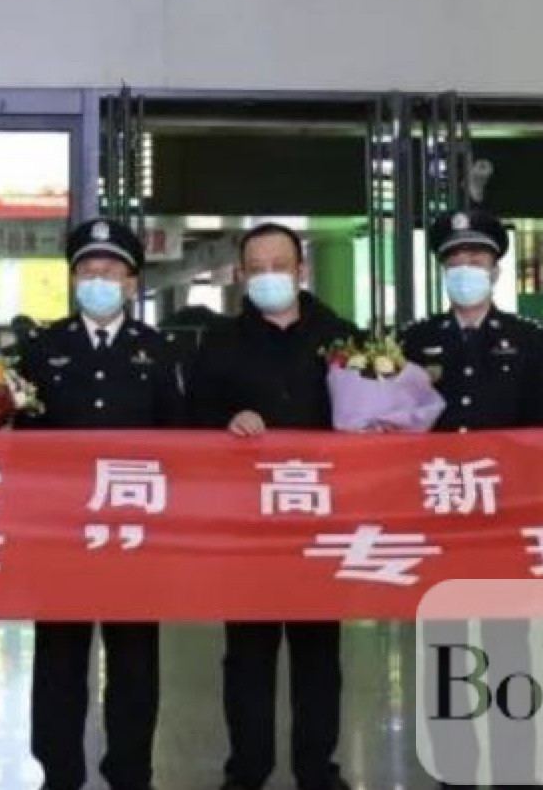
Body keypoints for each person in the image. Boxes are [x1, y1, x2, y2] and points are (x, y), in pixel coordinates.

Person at [187, 222, 359, 790]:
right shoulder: (220, 343)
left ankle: (317, 769)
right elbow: (191, 417)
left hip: (320, 521)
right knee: (247, 657)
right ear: (240, 275)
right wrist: (226, 420)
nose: (267, 277)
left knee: (318, 656)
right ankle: (247, 770)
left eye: (278, 266)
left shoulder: (343, 338)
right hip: (248, 527)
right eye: (255, 268)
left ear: (301, 270)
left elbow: (371, 419)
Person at [19, 219, 184, 790]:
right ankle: (58, 770)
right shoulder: (43, 350)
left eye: (110, 271)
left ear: (132, 283)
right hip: (61, 532)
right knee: (59, 657)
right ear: (73, 280)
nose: (98, 280)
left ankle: (130, 769)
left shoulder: (157, 352)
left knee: (134, 657)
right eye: (87, 271)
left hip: (135, 530)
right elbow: (22, 440)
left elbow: (181, 441)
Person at [399, 209, 543, 790]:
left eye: (477, 259)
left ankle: (516, 766)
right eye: (456, 260)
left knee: (509, 645)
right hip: (439, 517)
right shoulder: (415, 341)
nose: (466, 269)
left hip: (506, 519)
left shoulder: (528, 339)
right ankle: (455, 769)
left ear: (495, 269)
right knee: (445, 646)